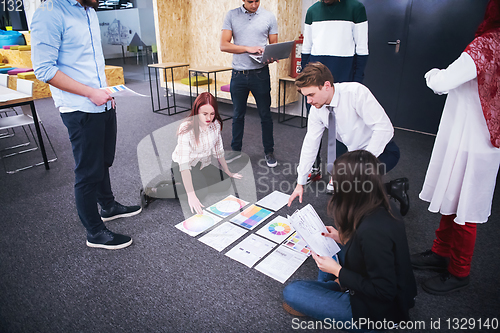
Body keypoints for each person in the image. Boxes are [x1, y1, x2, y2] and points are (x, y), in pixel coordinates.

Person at [31, 0, 141, 250]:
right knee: (88, 171)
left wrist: (103, 93)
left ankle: (109, 206)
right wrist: (90, 93)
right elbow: (45, 69)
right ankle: (95, 231)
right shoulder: (49, 13)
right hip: (79, 107)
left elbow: (87, 60)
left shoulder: (88, 10)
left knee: (103, 162)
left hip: (101, 101)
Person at [411, 0, 500, 295]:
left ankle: (459, 271)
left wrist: (432, 74)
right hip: (482, 137)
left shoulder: (487, 44)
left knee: (466, 207)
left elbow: (445, 80)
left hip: (473, 138)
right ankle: (440, 253)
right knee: (455, 195)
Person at [282, 150, 417, 330]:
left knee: (293, 291)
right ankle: (333, 287)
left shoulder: (373, 231)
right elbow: (368, 249)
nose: (333, 185)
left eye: (336, 181)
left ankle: (334, 287)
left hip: (377, 312)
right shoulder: (380, 203)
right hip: (373, 280)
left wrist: (338, 271)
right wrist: (342, 237)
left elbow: (384, 291)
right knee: (330, 249)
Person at [287, 62, 409, 215]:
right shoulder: (317, 110)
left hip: (382, 151)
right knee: (347, 188)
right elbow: (311, 143)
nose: (309, 101)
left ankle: (389, 194)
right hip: (353, 153)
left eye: (311, 95)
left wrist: (361, 164)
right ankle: (393, 188)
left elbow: (384, 129)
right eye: (305, 96)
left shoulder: (355, 93)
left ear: (326, 85)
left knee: (354, 192)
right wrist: (301, 182)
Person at [301, 0, 369, 184]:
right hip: (315, 80)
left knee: (341, 129)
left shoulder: (356, 8)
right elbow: (306, 48)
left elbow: (362, 50)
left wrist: (356, 83)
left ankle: (338, 174)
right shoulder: (312, 11)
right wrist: (304, 82)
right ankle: (313, 169)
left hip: (343, 78)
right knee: (315, 126)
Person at [142, 93, 242, 215]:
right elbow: (184, 166)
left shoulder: (215, 125)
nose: (208, 118)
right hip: (181, 166)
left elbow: (218, 150)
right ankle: (153, 191)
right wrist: (191, 195)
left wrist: (227, 171)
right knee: (200, 193)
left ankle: (180, 185)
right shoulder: (186, 129)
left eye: (212, 114)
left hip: (202, 165)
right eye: (204, 114)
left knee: (225, 182)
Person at [220, 0, 278, 168]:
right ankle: (235, 152)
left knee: (265, 115)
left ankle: (269, 151)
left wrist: (272, 55)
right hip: (238, 74)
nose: (254, 4)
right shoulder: (231, 15)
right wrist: (248, 48)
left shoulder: (269, 17)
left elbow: (274, 46)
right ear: (243, 1)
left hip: (261, 74)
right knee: (238, 115)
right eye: (250, 1)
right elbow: (224, 45)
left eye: (257, 1)